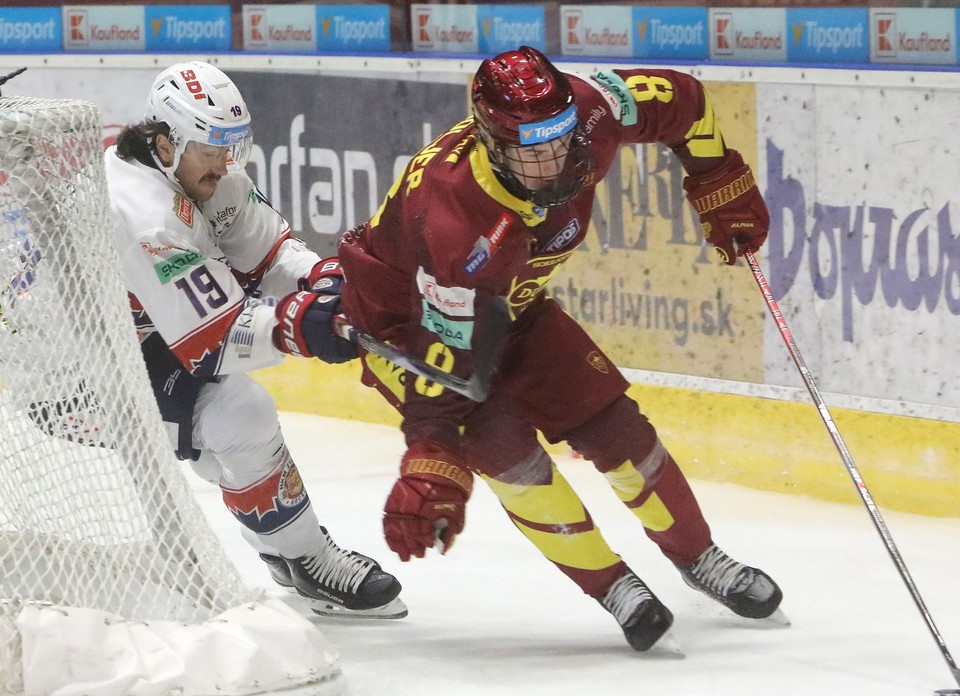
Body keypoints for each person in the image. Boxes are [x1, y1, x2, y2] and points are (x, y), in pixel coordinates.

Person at [337, 46, 781, 649]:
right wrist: (432, 454)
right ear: (492, 143)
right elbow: (448, 362)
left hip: (513, 306)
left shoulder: (592, 112)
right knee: (507, 453)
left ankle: (699, 557)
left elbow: (685, 100)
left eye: (560, 136)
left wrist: (716, 173)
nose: (555, 160)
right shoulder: (458, 225)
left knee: (618, 429)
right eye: (532, 148)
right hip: (408, 332)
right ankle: (612, 584)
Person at [104, 61, 405, 618]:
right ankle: (305, 557)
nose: (225, 164)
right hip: (84, 374)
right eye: (211, 150)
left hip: (149, 341)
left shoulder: (201, 172)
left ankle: (287, 551)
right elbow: (213, 340)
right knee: (239, 416)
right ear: (166, 144)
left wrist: (330, 282)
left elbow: (269, 255)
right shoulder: (141, 212)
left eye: (231, 147)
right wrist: (303, 326)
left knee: (237, 434)